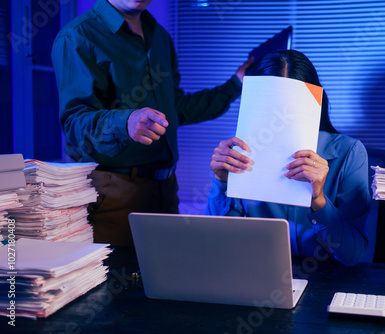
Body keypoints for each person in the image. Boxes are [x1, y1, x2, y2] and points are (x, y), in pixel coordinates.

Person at [51, 0, 252, 246]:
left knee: (169, 280)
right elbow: (74, 126)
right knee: (116, 282)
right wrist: (125, 122)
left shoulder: (159, 37)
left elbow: (175, 108)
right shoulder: (77, 36)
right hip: (113, 194)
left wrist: (236, 83)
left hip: (166, 190)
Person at [206, 50, 371, 266]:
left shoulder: (349, 152)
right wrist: (221, 182)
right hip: (257, 273)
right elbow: (216, 245)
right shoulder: (239, 151)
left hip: (324, 279)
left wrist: (318, 199)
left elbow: (353, 254)